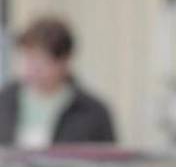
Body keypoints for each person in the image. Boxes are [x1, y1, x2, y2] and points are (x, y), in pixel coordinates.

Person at [0, 17, 114, 147]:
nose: (32, 69)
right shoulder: (4, 101)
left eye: (41, 61)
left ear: (64, 61)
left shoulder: (92, 113)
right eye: (28, 58)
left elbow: (108, 157)